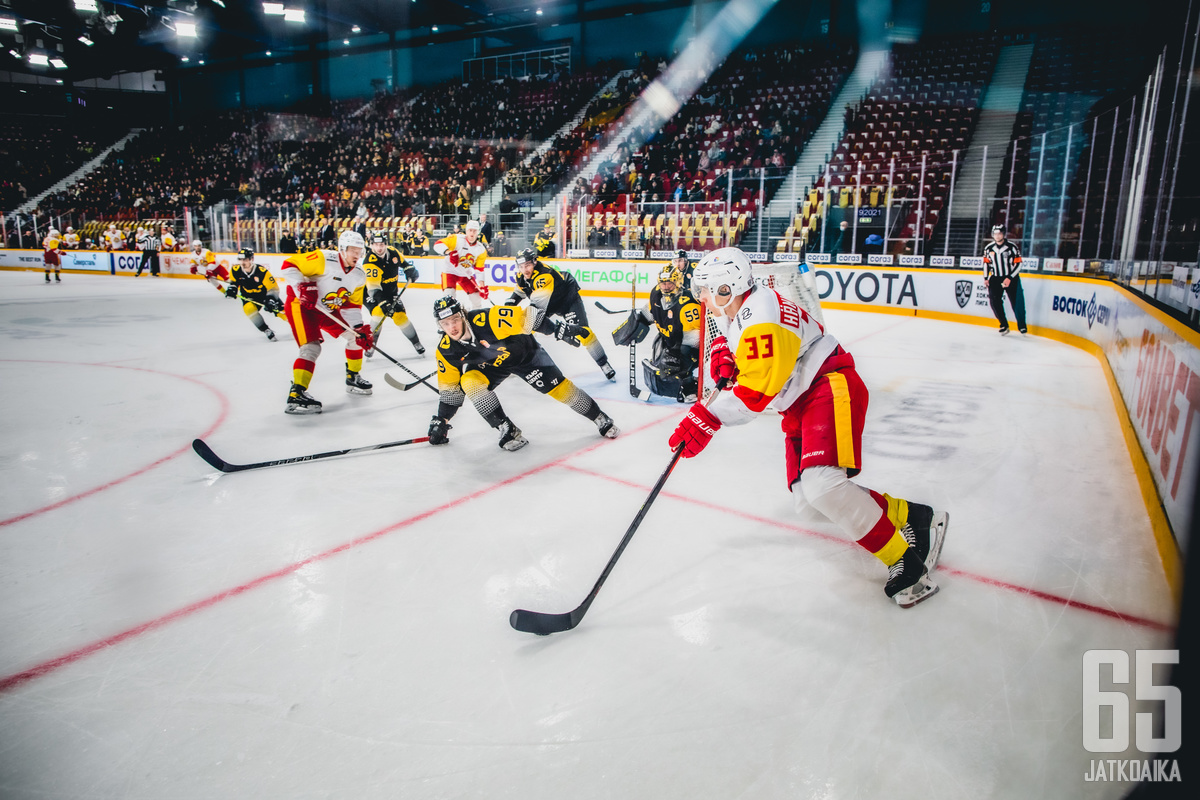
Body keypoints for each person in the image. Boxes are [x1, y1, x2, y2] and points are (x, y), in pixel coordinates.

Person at [668, 247, 949, 608]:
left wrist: (706, 420)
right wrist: (725, 349)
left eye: (708, 289)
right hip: (801, 400)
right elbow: (729, 331)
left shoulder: (763, 319)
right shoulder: (740, 302)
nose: (702, 297)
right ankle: (916, 516)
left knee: (824, 488)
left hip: (828, 386)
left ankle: (907, 564)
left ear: (729, 288)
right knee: (810, 502)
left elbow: (753, 395)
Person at [427, 296, 619, 451]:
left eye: (454, 319)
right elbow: (451, 390)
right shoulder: (446, 350)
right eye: (445, 323)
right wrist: (441, 420)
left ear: (463, 315)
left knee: (558, 388)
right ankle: (506, 428)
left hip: (525, 354)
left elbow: (529, 316)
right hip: (492, 365)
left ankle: (600, 417)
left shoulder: (487, 319)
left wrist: (559, 329)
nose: (452, 327)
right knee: (468, 382)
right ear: (440, 326)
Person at [279, 230, 374, 414]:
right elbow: (288, 265)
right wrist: (302, 286)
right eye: (352, 250)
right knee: (311, 347)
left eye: (359, 251)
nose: (357, 255)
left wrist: (358, 328)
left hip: (327, 310)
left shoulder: (359, 276)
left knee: (355, 337)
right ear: (342, 249)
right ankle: (297, 392)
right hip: (302, 306)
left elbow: (352, 305)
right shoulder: (324, 258)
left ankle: (352, 377)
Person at [504, 248, 616, 381]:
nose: (524, 270)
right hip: (549, 302)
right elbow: (520, 292)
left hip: (567, 300)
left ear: (535, 262)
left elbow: (536, 312)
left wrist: (558, 331)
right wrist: (509, 306)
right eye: (521, 266)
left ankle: (604, 364)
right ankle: (516, 362)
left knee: (584, 333)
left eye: (527, 265)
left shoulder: (544, 276)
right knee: (524, 330)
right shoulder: (521, 276)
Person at [613, 263, 702, 402]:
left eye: (670, 284)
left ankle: (689, 385)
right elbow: (650, 312)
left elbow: (699, 337)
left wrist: (676, 352)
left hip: (691, 347)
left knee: (680, 358)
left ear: (678, 282)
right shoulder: (656, 294)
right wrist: (636, 324)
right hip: (669, 340)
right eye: (663, 283)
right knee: (662, 362)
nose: (665, 287)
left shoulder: (688, 306)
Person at [363, 233, 425, 355]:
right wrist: (383, 303)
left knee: (400, 316)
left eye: (381, 244)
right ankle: (371, 343)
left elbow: (406, 265)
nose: (379, 248)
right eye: (376, 245)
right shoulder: (369, 262)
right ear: (371, 246)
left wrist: (411, 271)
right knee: (378, 313)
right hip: (371, 293)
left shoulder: (393, 252)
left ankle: (416, 342)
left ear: (386, 244)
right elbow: (373, 289)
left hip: (391, 292)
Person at [216, 248, 285, 342]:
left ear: (251, 259)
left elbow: (273, 288)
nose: (242, 262)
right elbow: (234, 282)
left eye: (245, 260)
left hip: (265, 296)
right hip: (249, 297)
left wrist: (271, 299)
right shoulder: (235, 270)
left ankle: (299, 326)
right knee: (248, 310)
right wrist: (232, 288)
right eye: (240, 260)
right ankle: (266, 330)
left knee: (283, 313)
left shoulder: (262, 271)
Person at [981, 224, 1027, 335]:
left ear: (1003, 234)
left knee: (1017, 302)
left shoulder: (1012, 247)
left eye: (999, 233)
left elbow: (1019, 264)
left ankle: (1022, 326)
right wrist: (986, 277)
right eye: (995, 234)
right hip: (995, 278)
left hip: (1011, 278)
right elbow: (986, 264)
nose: (997, 236)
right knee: (994, 302)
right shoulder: (989, 248)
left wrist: (1010, 277)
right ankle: (1004, 325)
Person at [433, 219, 489, 308]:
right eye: (470, 230)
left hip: (465, 274)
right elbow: (437, 244)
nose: (472, 233)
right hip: (449, 272)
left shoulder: (481, 249)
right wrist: (449, 252)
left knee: (476, 298)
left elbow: (479, 269)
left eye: (475, 231)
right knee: (449, 296)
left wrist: (482, 286)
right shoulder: (456, 239)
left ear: (478, 232)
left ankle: (476, 316)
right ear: (466, 231)